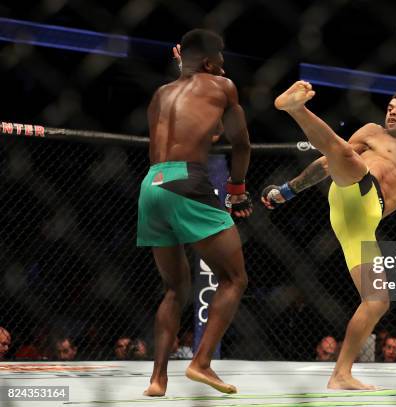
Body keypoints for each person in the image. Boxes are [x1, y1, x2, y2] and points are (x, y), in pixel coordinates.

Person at [262, 81, 396, 389]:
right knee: (344, 155)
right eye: (390, 107)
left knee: (376, 301)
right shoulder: (371, 132)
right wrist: (288, 190)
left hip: (360, 223)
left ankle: (341, 374)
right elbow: (328, 161)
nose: (392, 112)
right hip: (354, 192)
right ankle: (296, 109)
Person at [137, 28, 252, 396]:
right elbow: (241, 143)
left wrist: (186, 67)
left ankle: (157, 380)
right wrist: (237, 191)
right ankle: (201, 363)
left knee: (174, 289)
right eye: (220, 58)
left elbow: (193, 122)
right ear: (209, 61)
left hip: (151, 184)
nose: (224, 65)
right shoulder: (223, 86)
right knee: (234, 278)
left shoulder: (161, 93)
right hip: (187, 179)